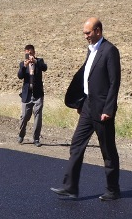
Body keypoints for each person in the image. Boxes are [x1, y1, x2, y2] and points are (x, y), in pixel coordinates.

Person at [51, 17, 121, 201]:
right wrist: (81, 103)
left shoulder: (110, 51)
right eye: (84, 33)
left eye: (88, 33)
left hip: (103, 110)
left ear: (98, 30)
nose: (85, 36)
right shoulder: (90, 50)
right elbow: (87, 78)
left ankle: (113, 190)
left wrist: (109, 109)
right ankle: (70, 187)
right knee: (76, 144)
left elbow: (114, 83)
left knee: (107, 150)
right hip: (88, 106)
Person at [17, 44, 47, 147]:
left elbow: (45, 68)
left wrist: (36, 62)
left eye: (31, 53)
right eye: (27, 53)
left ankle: (36, 138)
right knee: (24, 116)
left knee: (38, 117)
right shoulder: (22, 64)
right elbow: (20, 76)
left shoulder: (39, 61)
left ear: (34, 52)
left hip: (38, 94)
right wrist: (24, 66)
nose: (29, 55)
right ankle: (21, 134)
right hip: (27, 95)